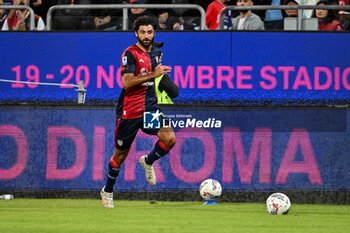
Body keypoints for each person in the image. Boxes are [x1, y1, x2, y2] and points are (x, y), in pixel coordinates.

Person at [100, 15, 177, 208]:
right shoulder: (130, 53)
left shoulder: (157, 53)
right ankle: (107, 191)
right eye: (142, 32)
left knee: (169, 138)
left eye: (149, 32)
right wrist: (154, 74)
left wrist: (165, 81)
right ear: (136, 33)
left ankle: (148, 161)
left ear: (154, 33)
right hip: (130, 112)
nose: (146, 35)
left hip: (149, 108)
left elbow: (155, 78)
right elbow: (126, 82)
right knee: (120, 155)